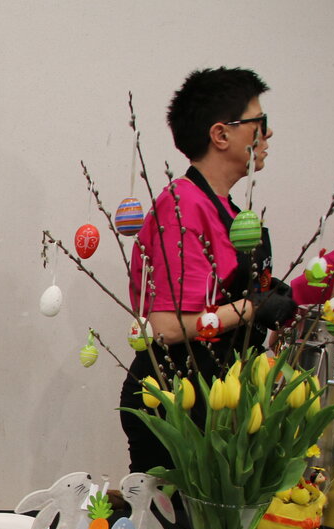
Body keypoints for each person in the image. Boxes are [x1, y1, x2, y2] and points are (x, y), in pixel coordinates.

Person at [120, 67, 296, 475]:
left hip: (213, 400)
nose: (268, 134)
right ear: (221, 134)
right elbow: (165, 327)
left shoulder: (227, 209)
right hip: (174, 403)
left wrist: (268, 296)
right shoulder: (182, 207)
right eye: (259, 122)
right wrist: (254, 307)